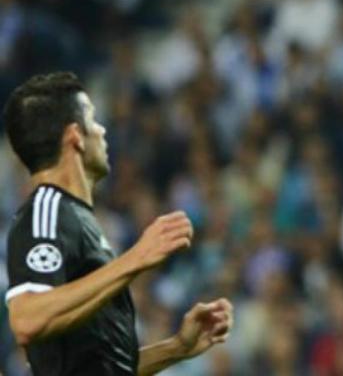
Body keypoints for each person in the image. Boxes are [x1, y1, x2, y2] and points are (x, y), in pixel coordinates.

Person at [3, 72, 233, 375]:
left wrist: (177, 348)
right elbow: (27, 319)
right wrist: (137, 258)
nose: (101, 130)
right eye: (93, 119)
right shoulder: (46, 212)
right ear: (75, 137)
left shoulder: (75, 218)